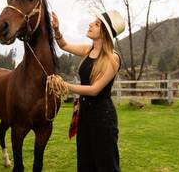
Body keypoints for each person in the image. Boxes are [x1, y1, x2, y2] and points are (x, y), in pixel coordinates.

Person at [52, 10, 125, 172]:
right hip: (85, 116)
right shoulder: (88, 50)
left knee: (107, 166)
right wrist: (57, 30)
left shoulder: (113, 58)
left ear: (104, 33)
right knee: (85, 164)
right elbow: (63, 45)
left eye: (97, 24)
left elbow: (94, 90)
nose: (91, 24)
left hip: (103, 119)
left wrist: (65, 86)